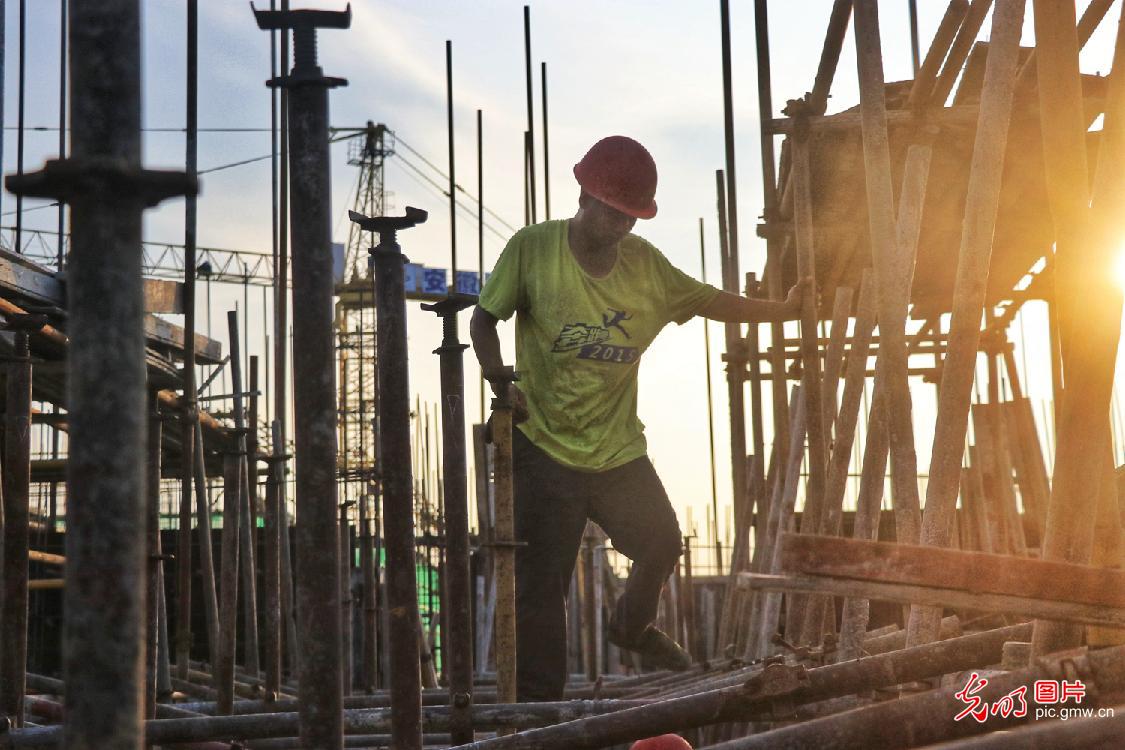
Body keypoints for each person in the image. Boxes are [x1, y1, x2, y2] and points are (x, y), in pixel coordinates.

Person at [471, 135, 805, 702]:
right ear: (584, 196)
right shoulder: (533, 249)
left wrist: (783, 311)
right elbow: (484, 319)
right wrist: (498, 374)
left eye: (632, 216)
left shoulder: (647, 266)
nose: (621, 226)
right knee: (541, 592)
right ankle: (538, 711)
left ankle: (631, 627)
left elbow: (712, 301)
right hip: (543, 447)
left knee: (661, 541)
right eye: (613, 212)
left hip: (616, 449)